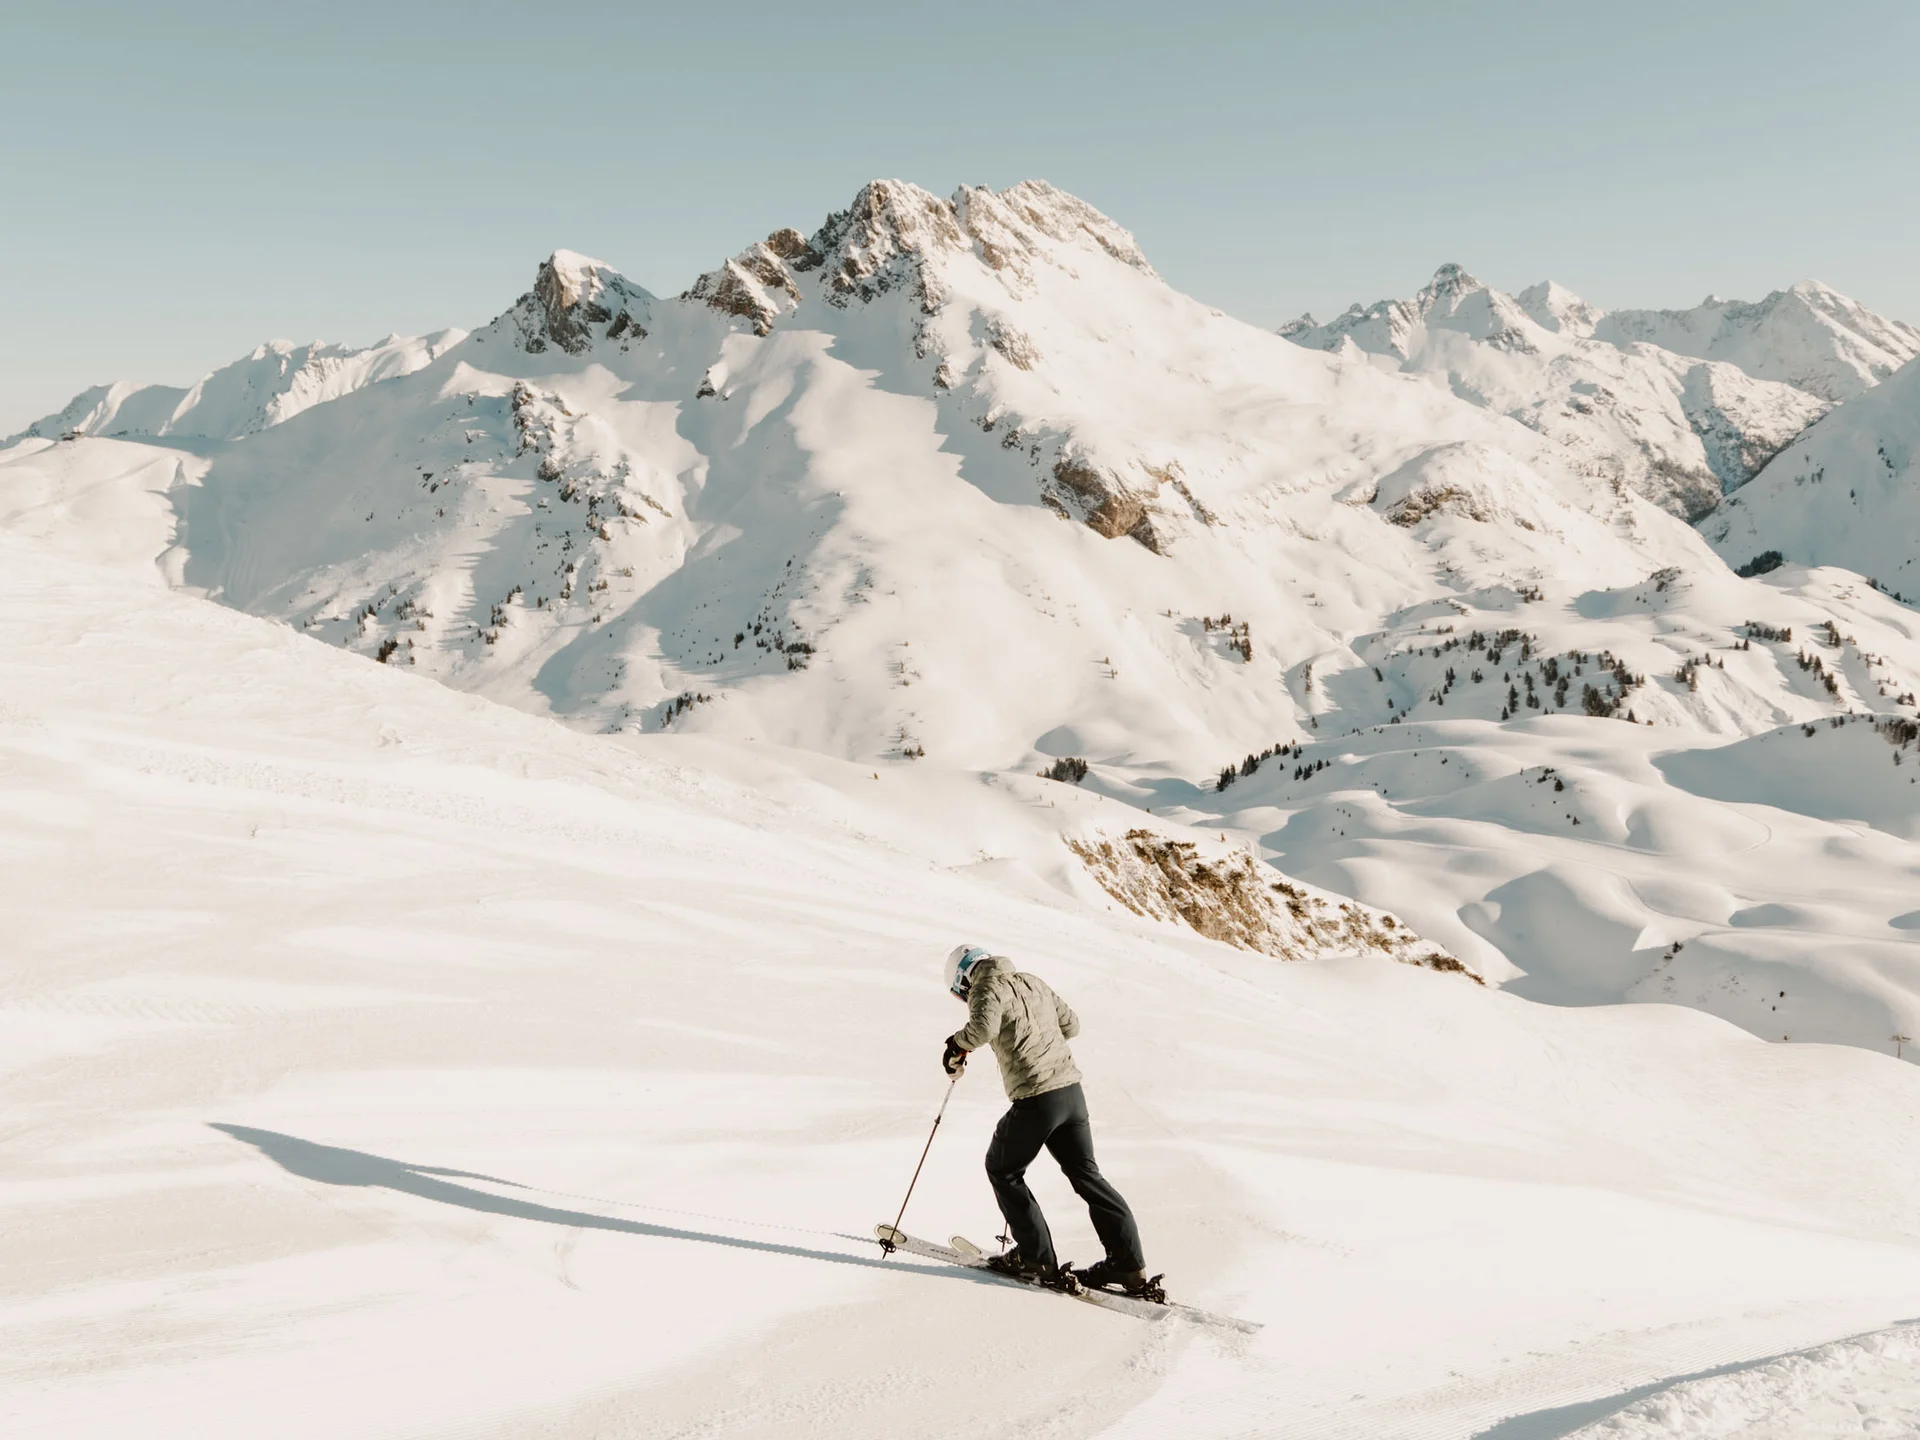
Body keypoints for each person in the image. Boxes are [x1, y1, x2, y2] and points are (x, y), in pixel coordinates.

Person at [941, 943, 1152, 1295]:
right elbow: (1071, 1025)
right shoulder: (1032, 981)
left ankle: (1035, 1259)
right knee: (1087, 1176)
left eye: (960, 993)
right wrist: (1037, 1035)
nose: (964, 998)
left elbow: (982, 1029)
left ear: (964, 978)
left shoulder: (985, 986)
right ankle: (1128, 1265)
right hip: (1071, 1093)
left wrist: (956, 1043)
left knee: (1002, 1169)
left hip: (1038, 1098)